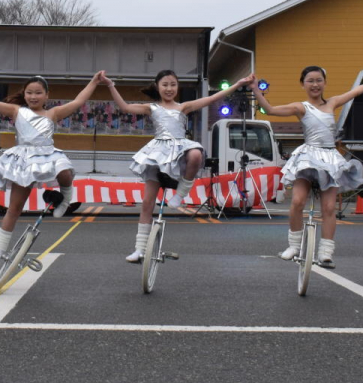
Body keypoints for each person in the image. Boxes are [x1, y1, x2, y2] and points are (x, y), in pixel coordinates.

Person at [101, 69, 255, 262]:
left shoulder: (184, 107)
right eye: (165, 84)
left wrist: (238, 84)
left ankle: (182, 191)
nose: (169, 88)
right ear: (157, 86)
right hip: (157, 153)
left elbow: (214, 97)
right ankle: (139, 249)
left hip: (180, 150)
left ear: (178, 87)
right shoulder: (152, 107)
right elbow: (124, 107)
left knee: (197, 154)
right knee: (147, 203)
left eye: (173, 84)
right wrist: (110, 85)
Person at [251, 66, 363, 269]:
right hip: (308, 157)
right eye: (310, 81)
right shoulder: (301, 107)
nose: (315, 84)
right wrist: (256, 90)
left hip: (330, 158)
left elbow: (355, 92)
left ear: (324, 82)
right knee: (297, 201)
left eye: (318, 80)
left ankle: (326, 253)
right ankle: (294, 246)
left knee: (329, 207)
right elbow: (271, 110)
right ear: (303, 84)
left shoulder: (332, 102)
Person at [0, 71, 102, 265]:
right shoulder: (17, 111)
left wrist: (93, 82)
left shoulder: (53, 113)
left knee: (64, 169)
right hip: (24, 160)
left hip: (47, 154)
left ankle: (66, 198)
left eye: (38, 93)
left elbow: (78, 102)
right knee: (14, 208)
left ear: (46, 95)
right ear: (24, 94)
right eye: (29, 92)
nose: (33, 96)